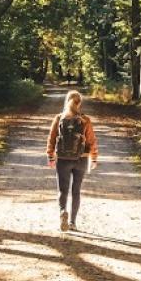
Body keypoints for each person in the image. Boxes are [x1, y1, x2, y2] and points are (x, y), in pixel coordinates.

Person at [46, 90, 98, 232]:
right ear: (79, 103)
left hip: (62, 159)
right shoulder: (85, 120)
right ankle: (73, 223)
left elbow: (51, 139)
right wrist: (93, 158)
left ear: (66, 101)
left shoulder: (59, 118)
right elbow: (92, 141)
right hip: (81, 159)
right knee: (76, 191)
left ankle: (63, 211)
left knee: (63, 190)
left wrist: (51, 156)